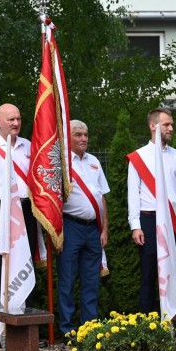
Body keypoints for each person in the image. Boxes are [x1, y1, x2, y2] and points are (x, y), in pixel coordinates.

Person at [0, 103, 39, 348]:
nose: (15, 123)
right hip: (1, 210)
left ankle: (24, 328)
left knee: (25, 264)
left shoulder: (28, 147)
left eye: (18, 119)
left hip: (26, 210)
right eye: (10, 119)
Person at [127, 108, 176, 313]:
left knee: (172, 274)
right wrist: (135, 225)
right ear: (153, 126)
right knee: (148, 275)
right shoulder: (138, 157)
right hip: (148, 220)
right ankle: (147, 324)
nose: (171, 128)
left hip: (173, 222)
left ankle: (173, 318)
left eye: (171, 124)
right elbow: (133, 193)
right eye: (166, 125)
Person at [57, 120, 110, 335]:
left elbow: (102, 197)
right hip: (70, 226)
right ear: (68, 137)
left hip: (93, 229)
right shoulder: (60, 164)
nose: (84, 139)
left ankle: (90, 328)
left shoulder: (94, 161)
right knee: (67, 280)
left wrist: (104, 229)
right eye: (78, 135)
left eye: (86, 135)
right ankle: (68, 330)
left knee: (91, 281)